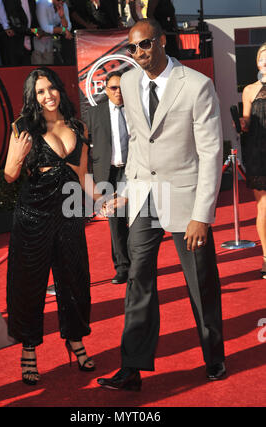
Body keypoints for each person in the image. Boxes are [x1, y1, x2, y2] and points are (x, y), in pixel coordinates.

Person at [97, 18, 226, 391]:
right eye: (132, 48)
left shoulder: (197, 86)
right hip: (143, 198)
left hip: (185, 198)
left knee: (200, 282)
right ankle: (132, 367)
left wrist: (202, 215)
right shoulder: (132, 81)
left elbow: (210, 152)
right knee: (138, 281)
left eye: (145, 45)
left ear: (162, 42)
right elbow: (139, 140)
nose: (138, 54)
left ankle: (214, 356)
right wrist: (127, 189)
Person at [5, 67, 102, 386]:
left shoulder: (77, 126)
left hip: (69, 215)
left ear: (60, 89)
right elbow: (9, 175)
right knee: (29, 285)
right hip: (33, 216)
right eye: (40, 92)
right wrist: (17, 157)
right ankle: (29, 349)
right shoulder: (23, 127)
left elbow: (84, 176)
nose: (48, 96)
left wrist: (106, 200)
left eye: (51, 89)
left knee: (75, 280)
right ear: (33, 97)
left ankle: (75, 341)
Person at [86, 71, 130, 284]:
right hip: (108, 174)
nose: (118, 92)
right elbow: (84, 147)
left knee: (139, 219)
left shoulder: (136, 109)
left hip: (133, 172)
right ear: (106, 90)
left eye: (122, 87)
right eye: (113, 87)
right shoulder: (94, 113)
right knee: (116, 222)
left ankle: (139, 264)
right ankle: (122, 267)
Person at [240, 42, 266, 279]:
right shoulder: (249, 90)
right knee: (264, 207)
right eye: (261, 58)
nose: (264, 62)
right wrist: (241, 124)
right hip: (258, 152)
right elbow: (246, 123)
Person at [0, 0, 41, 66]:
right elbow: (15, 24)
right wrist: (31, 31)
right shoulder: (11, 1)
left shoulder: (31, 1)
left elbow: (34, 19)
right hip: (13, 44)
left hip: (28, 45)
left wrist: (37, 29)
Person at [32, 0, 73, 65]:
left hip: (49, 44)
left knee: (48, 67)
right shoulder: (42, 3)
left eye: (63, 1)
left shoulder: (63, 6)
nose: (61, 3)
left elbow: (68, 27)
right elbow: (45, 28)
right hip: (35, 43)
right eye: (58, 0)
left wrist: (62, 17)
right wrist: (63, 30)